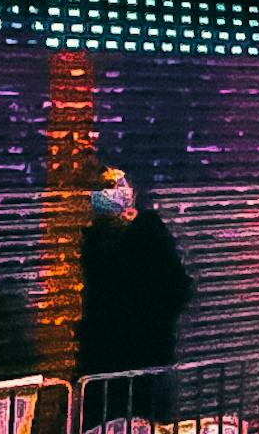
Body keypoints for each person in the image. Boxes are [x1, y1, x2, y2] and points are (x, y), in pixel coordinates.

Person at [76, 160, 192, 382]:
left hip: (146, 351)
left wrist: (151, 320)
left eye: (115, 186)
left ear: (130, 192)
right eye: (103, 188)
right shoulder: (92, 238)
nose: (108, 193)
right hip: (103, 354)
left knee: (143, 411)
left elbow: (178, 287)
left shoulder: (148, 232)